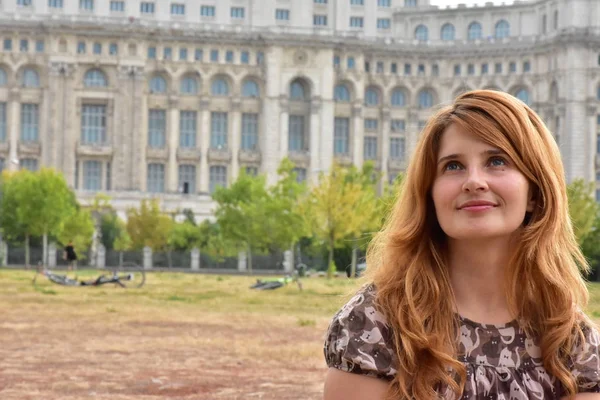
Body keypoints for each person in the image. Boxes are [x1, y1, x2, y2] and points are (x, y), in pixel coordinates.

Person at [323, 90, 600, 399]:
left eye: (496, 161)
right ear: (430, 194)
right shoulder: (375, 323)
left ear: (534, 193)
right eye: (453, 166)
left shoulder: (570, 339)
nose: (474, 181)